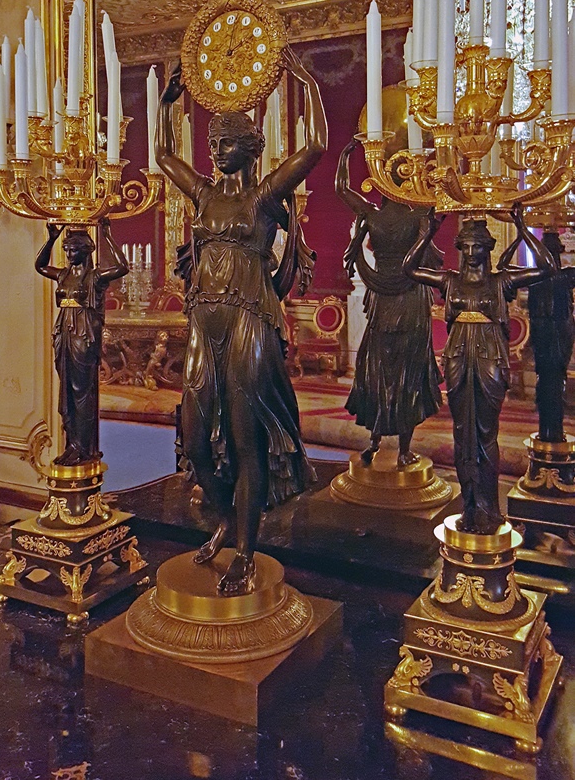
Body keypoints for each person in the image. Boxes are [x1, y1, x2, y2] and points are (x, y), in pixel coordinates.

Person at [155, 49, 327, 594]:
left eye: (223, 141)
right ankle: (226, 519)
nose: (212, 149)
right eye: (210, 141)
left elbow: (316, 146)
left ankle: (247, 550)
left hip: (250, 318)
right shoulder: (203, 193)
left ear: (248, 147)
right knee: (196, 437)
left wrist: (307, 84)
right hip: (204, 319)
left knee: (244, 436)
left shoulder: (264, 193)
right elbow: (162, 153)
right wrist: (168, 103)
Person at [403, 206, 555, 534]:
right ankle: (469, 509)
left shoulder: (502, 282)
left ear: (488, 250)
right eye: (467, 247)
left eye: (478, 247)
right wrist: (427, 231)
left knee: (487, 433)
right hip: (458, 356)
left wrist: (521, 225)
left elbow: (547, 267)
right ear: (460, 250)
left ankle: (490, 509)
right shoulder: (449, 280)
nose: (472, 253)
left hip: (489, 358)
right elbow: (410, 268)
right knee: (462, 431)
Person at [336, 137, 442, 468]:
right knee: (409, 371)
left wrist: (346, 154)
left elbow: (341, 188)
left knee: (379, 368)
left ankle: (375, 441)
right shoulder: (418, 216)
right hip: (411, 300)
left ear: (381, 184)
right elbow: (443, 198)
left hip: (382, 300)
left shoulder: (371, 215)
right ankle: (404, 450)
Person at [35, 219, 128, 466]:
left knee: (82, 392)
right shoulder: (63, 275)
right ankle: (71, 445)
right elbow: (40, 265)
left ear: (86, 251)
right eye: (66, 250)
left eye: (72, 250)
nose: (68, 254)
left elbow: (122, 266)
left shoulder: (95, 277)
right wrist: (52, 239)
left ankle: (84, 448)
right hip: (64, 334)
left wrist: (107, 234)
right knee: (67, 389)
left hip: (84, 336)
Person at [500, 230, 575, 442]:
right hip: (543, 332)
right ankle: (548, 428)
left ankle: (554, 429)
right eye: (546, 252)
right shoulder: (534, 277)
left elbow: (503, 266)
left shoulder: (565, 275)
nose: (550, 256)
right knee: (546, 379)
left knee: (555, 378)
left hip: (560, 332)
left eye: (552, 252)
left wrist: (521, 235)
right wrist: (519, 235)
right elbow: (503, 266)